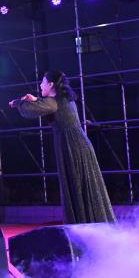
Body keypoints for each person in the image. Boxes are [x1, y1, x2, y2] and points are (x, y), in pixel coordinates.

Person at [10, 71, 116, 224]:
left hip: (72, 146)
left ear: (51, 84)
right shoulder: (64, 99)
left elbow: (32, 110)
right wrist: (36, 99)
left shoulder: (54, 103)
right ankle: (89, 222)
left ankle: (81, 223)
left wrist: (17, 102)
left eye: (43, 82)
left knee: (76, 185)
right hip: (78, 144)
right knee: (84, 185)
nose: (40, 85)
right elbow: (46, 105)